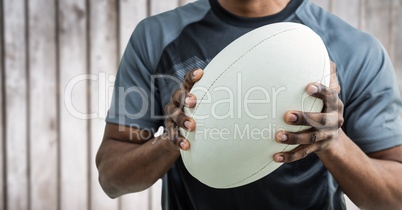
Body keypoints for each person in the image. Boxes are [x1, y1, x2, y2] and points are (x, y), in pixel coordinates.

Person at [95, 0, 402, 209]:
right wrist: (170, 139)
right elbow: (111, 179)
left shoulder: (355, 50)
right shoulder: (157, 37)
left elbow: (395, 198)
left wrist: (333, 143)